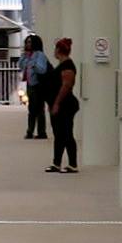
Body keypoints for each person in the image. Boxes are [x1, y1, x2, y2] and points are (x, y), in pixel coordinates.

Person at [46, 37, 81, 174]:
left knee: (66, 133)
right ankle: (56, 162)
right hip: (59, 104)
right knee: (59, 134)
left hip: (66, 105)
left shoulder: (67, 67)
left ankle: (73, 164)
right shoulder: (62, 65)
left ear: (59, 50)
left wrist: (56, 103)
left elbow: (66, 86)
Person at [19, 34, 51, 139]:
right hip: (30, 83)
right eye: (27, 42)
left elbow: (42, 69)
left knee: (39, 109)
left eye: (30, 42)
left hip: (38, 84)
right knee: (31, 108)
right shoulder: (27, 55)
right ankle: (30, 131)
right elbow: (20, 66)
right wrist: (24, 57)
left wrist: (33, 64)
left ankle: (41, 132)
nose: (28, 44)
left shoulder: (39, 55)